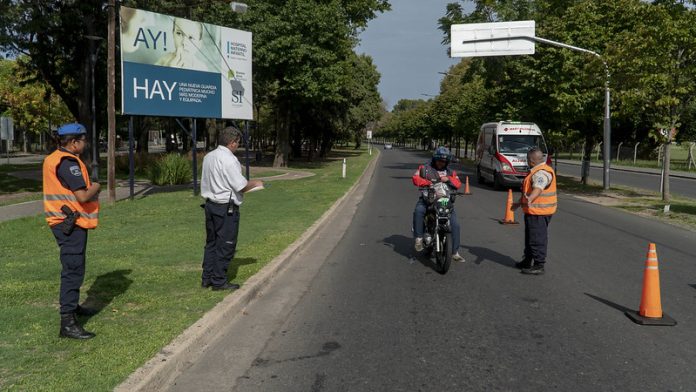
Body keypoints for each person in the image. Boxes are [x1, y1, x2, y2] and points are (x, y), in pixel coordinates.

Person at [43, 123, 101, 339]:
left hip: (66, 221)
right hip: (69, 223)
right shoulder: (67, 163)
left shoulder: (54, 158)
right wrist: (97, 185)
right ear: (74, 142)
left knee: (75, 265)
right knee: (73, 269)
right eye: (83, 140)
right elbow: (83, 196)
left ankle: (73, 306)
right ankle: (67, 323)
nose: (85, 144)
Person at [200, 126, 263, 290]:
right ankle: (219, 281)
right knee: (226, 245)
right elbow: (240, 186)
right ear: (232, 142)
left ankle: (207, 278)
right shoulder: (229, 159)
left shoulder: (209, 156)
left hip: (210, 205)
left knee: (211, 243)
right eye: (238, 142)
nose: (238, 145)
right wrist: (256, 183)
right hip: (225, 208)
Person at [412, 147, 464, 262]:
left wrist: (448, 179)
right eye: (439, 160)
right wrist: (428, 182)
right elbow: (415, 178)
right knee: (419, 211)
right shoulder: (424, 168)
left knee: (455, 224)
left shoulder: (450, 172)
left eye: (444, 161)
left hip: (444, 202)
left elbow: (458, 183)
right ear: (435, 159)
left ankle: (455, 252)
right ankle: (419, 238)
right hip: (428, 200)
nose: (441, 163)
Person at [512, 147, 557, 275]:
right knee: (531, 237)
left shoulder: (541, 173)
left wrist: (530, 198)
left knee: (537, 238)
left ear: (531, 161)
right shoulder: (537, 170)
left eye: (527, 159)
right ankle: (527, 260)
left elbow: (538, 187)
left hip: (539, 212)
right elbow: (528, 191)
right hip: (534, 211)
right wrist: (519, 203)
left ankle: (539, 264)